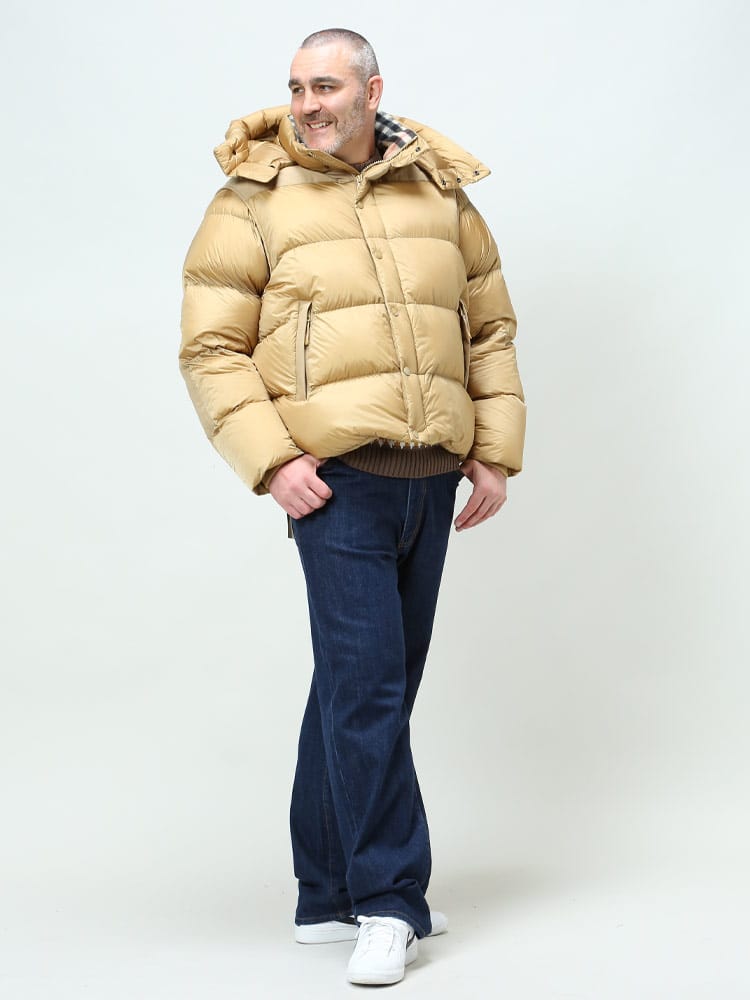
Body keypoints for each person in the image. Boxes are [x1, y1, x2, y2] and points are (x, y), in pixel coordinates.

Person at [179, 28, 525, 987]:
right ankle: (389, 900)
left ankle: (326, 893)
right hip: (337, 484)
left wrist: (492, 452)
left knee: (367, 688)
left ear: (373, 92)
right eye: (296, 87)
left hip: (431, 477)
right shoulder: (251, 200)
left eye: (326, 86)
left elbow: (489, 327)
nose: (308, 104)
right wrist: (272, 461)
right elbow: (211, 348)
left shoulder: (439, 193)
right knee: (367, 691)